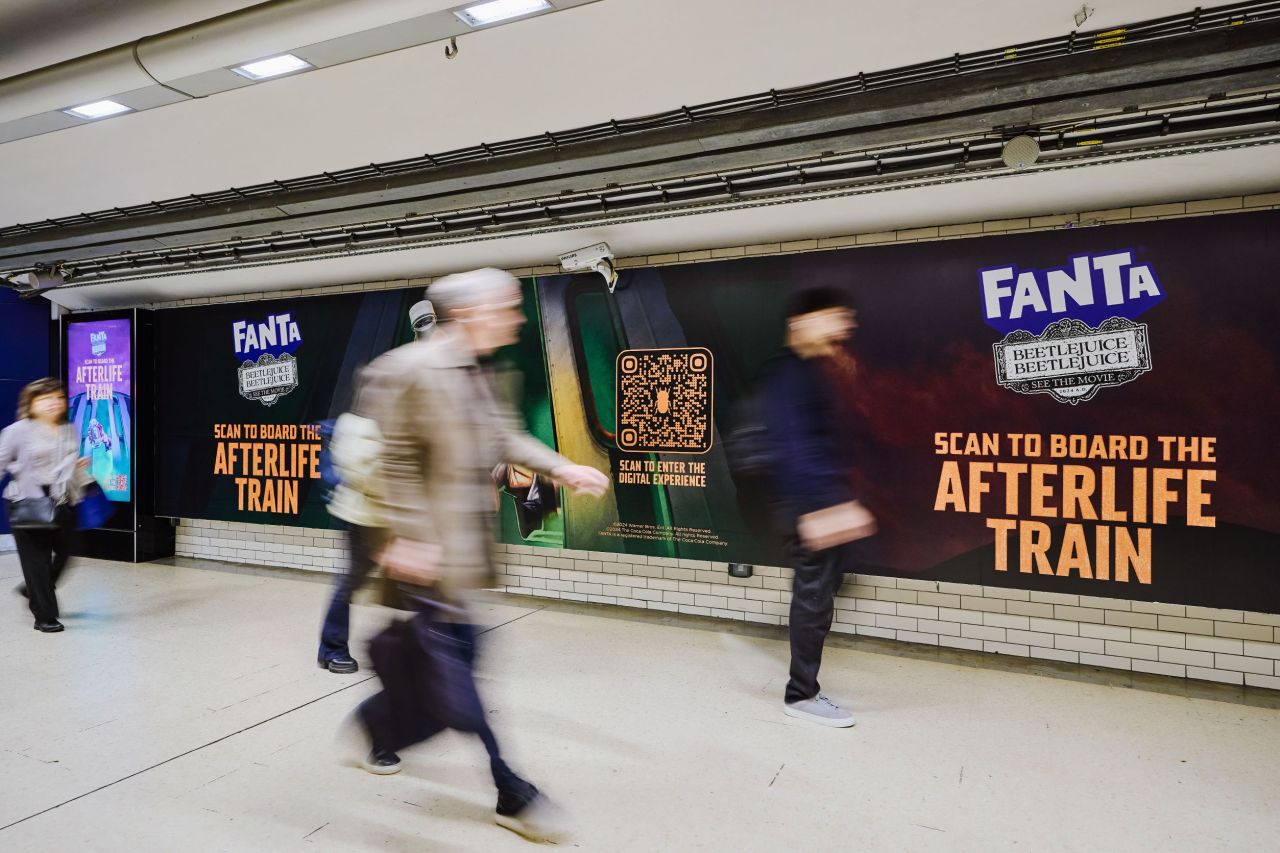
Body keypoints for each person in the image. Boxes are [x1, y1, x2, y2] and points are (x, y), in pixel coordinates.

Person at [349, 269, 609, 840]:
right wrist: (409, 536)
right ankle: (510, 791)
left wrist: (560, 467)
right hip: (423, 554)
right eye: (507, 309)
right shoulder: (403, 371)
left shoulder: (475, 374)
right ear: (468, 314)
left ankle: (375, 725)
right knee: (457, 676)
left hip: (459, 552)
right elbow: (388, 462)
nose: (515, 319)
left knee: (460, 660)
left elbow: (502, 439)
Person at [762, 288, 876, 728]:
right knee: (813, 599)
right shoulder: (789, 376)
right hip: (811, 506)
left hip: (818, 503)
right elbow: (794, 449)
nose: (844, 327)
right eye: (833, 318)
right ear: (801, 323)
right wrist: (826, 507)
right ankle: (801, 694)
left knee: (822, 592)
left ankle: (803, 689)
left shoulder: (812, 372)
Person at [316, 299, 437, 674]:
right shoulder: (365, 418)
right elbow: (364, 469)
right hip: (364, 515)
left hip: (397, 514)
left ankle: (421, 651)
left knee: (421, 583)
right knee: (353, 579)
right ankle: (331, 648)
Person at [0, 378, 93, 633]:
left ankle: (33, 589)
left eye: (58, 397)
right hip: (27, 500)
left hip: (62, 499)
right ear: (31, 404)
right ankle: (44, 615)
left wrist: (76, 466)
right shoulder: (17, 431)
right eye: (45, 399)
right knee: (37, 561)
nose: (54, 403)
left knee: (68, 550)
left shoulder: (68, 428)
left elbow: (64, 462)